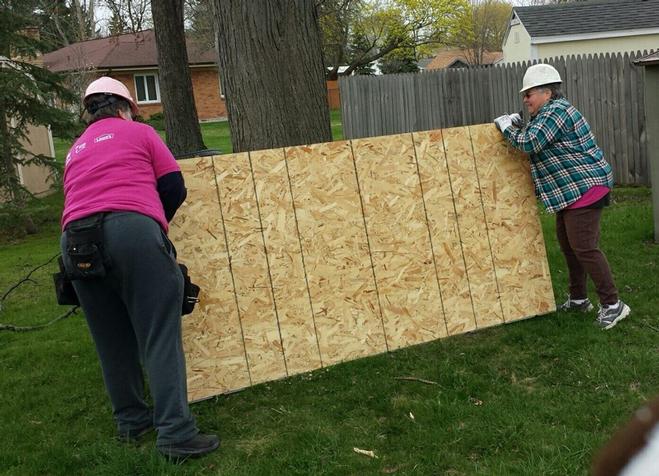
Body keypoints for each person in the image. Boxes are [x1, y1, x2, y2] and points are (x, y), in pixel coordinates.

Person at [60, 76, 219, 458]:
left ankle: (131, 423)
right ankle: (176, 434)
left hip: (75, 241)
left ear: (89, 111)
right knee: (158, 334)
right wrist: (151, 224)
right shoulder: (141, 134)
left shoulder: (75, 148)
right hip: (131, 231)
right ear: (126, 107)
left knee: (111, 340)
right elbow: (174, 185)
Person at [493, 63, 630, 330]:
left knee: (585, 248)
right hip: (572, 192)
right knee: (570, 247)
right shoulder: (548, 114)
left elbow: (531, 143)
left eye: (529, 93)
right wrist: (520, 128)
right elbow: (536, 139)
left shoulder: (556, 111)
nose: (525, 99)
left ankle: (614, 304)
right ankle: (579, 299)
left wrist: (507, 129)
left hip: (585, 188)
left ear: (545, 92)